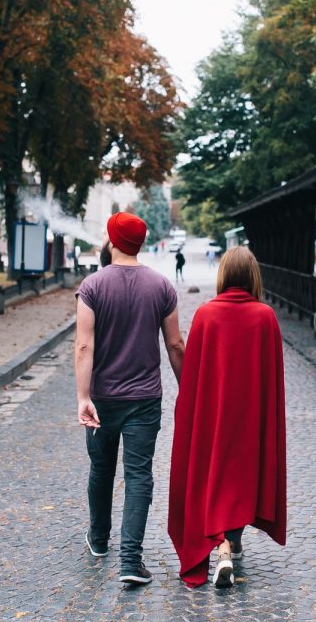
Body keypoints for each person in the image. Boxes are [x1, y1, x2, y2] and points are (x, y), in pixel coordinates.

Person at [75, 212, 185, 585]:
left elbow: (84, 345)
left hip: (102, 398)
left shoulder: (92, 286)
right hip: (144, 400)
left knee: (101, 469)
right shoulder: (161, 286)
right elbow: (174, 344)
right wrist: (188, 391)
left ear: (112, 241)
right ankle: (130, 561)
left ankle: (99, 539)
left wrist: (82, 397)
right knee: (139, 476)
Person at [168, 246, 287, 588]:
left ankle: (223, 546)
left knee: (216, 475)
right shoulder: (265, 317)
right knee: (240, 479)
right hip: (251, 419)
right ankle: (227, 546)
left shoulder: (206, 315)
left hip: (214, 415)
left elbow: (194, 376)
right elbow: (272, 382)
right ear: (253, 276)